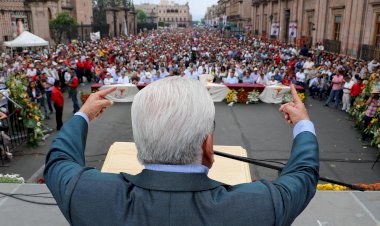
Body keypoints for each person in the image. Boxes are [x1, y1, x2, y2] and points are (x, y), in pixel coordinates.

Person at [45, 77, 318, 226]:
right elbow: (303, 175)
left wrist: (83, 114)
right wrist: (302, 124)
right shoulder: (259, 207)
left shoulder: (86, 194)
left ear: (139, 142)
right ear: (207, 144)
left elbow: (59, 160)